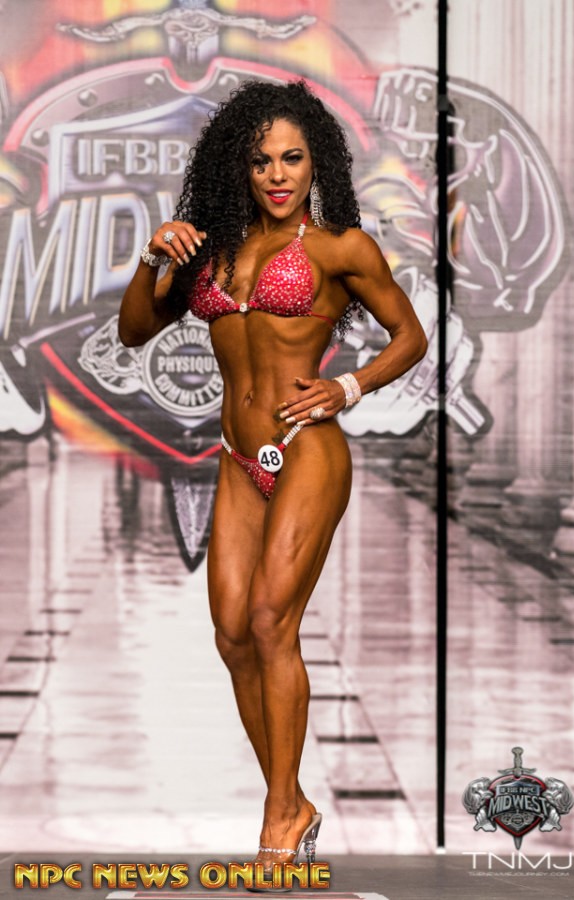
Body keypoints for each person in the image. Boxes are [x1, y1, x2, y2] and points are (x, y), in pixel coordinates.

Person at [119, 79, 427, 880]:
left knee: (268, 621)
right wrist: (154, 260)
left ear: (316, 161)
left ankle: (280, 811)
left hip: (306, 450)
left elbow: (410, 336)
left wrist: (349, 387)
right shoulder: (212, 252)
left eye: (292, 158)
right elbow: (134, 329)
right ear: (240, 168)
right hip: (236, 456)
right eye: (261, 162)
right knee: (231, 634)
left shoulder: (340, 249)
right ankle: (290, 801)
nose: (278, 175)